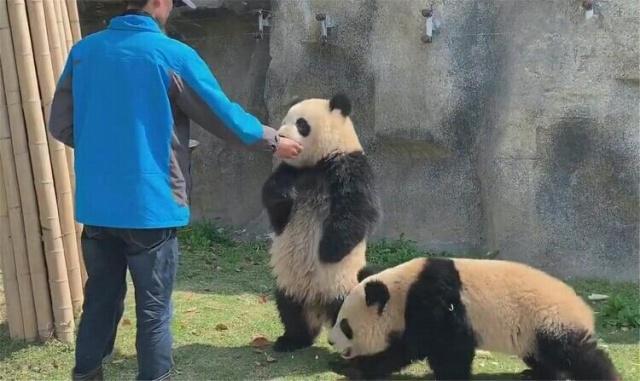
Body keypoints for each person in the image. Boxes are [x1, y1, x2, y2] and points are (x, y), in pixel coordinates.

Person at [48, 0, 303, 380]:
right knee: (153, 311)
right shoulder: (172, 55)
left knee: (99, 299)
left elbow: (61, 125)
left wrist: (108, 152)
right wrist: (271, 140)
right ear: (158, 2)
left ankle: (86, 374)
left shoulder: (84, 52)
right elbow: (224, 116)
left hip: (98, 207)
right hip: (151, 209)